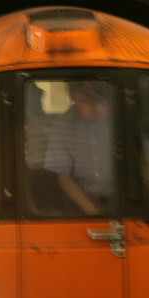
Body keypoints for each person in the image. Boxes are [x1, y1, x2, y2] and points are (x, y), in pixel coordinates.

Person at [42, 80, 115, 215]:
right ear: (73, 98)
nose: (93, 108)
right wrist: (92, 212)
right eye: (85, 102)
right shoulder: (63, 126)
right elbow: (63, 178)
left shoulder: (114, 119)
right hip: (80, 203)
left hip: (118, 199)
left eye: (96, 101)